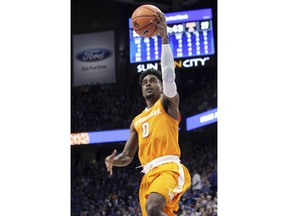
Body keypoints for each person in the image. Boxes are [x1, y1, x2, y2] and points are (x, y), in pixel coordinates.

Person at [105, 11, 191, 216]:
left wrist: (164, 38)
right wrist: (113, 161)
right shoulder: (137, 120)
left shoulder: (167, 104)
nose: (148, 84)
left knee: (153, 208)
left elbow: (169, 74)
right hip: (148, 176)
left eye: (153, 81)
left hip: (169, 168)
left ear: (161, 87)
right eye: (145, 82)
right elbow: (127, 156)